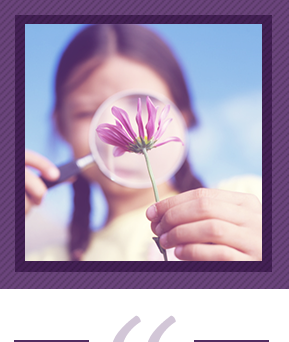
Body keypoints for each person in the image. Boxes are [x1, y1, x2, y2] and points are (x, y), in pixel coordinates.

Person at [25, 24, 262, 261]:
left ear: (183, 118)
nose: (116, 126)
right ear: (61, 127)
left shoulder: (250, 202)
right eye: (87, 112)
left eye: (140, 103)